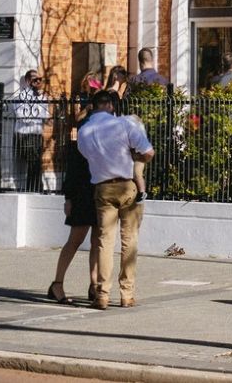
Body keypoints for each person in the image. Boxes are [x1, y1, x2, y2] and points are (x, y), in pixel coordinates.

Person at [77, 88, 155, 309]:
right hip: (127, 185)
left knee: (104, 242)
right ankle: (127, 293)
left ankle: (102, 293)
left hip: (102, 188)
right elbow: (149, 152)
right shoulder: (123, 124)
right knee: (129, 240)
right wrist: (134, 157)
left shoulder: (84, 131)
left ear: (93, 106)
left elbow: (86, 155)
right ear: (110, 105)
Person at [47, 94, 97, 304]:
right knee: (75, 240)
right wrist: (68, 198)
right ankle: (57, 284)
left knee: (98, 242)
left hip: (99, 192)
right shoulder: (83, 133)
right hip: (82, 193)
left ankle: (95, 285)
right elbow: (73, 169)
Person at [10, 69, 49, 193]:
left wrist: (33, 116)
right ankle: (35, 189)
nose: (37, 82)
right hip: (24, 135)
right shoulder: (20, 97)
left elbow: (45, 115)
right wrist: (34, 116)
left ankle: (35, 188)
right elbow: (21, 116)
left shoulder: (42, 97)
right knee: (33, 162)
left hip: (37, 134)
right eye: (34, 79)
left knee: (36, 163)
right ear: (28, 81)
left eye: (39, 79)